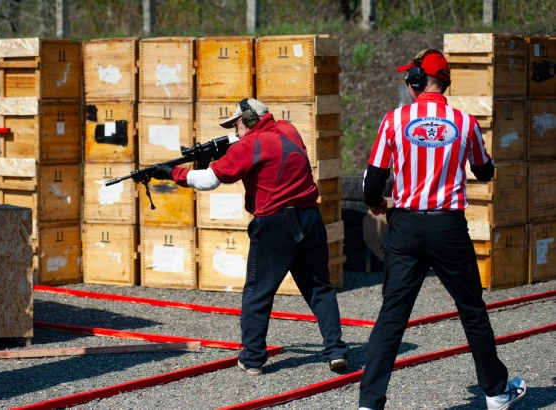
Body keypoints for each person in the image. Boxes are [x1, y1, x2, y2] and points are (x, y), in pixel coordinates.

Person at [359, 49, 526, 410]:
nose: (407, 83)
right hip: (448, 226)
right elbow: (484, 172)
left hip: (404, 225)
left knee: (392, 315)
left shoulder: (394, 119)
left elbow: (373, 180)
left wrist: (376, 203)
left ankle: (369, 403)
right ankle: (497, 393)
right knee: (471, 310)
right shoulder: (464, 122)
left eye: (410, 78)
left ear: (419, 81)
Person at [150, 98, 348, 375]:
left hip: (275, 222)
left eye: (237, 124)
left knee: (258, 291)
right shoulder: (289, 130)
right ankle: (336, 351)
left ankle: (253, 357)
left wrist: (174, 173)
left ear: (248, 119)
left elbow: (209, 180)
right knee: (319, 287)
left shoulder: (249, 144)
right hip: (310, 217)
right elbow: (265, 146)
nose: (236, 130)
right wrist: (222, 149)